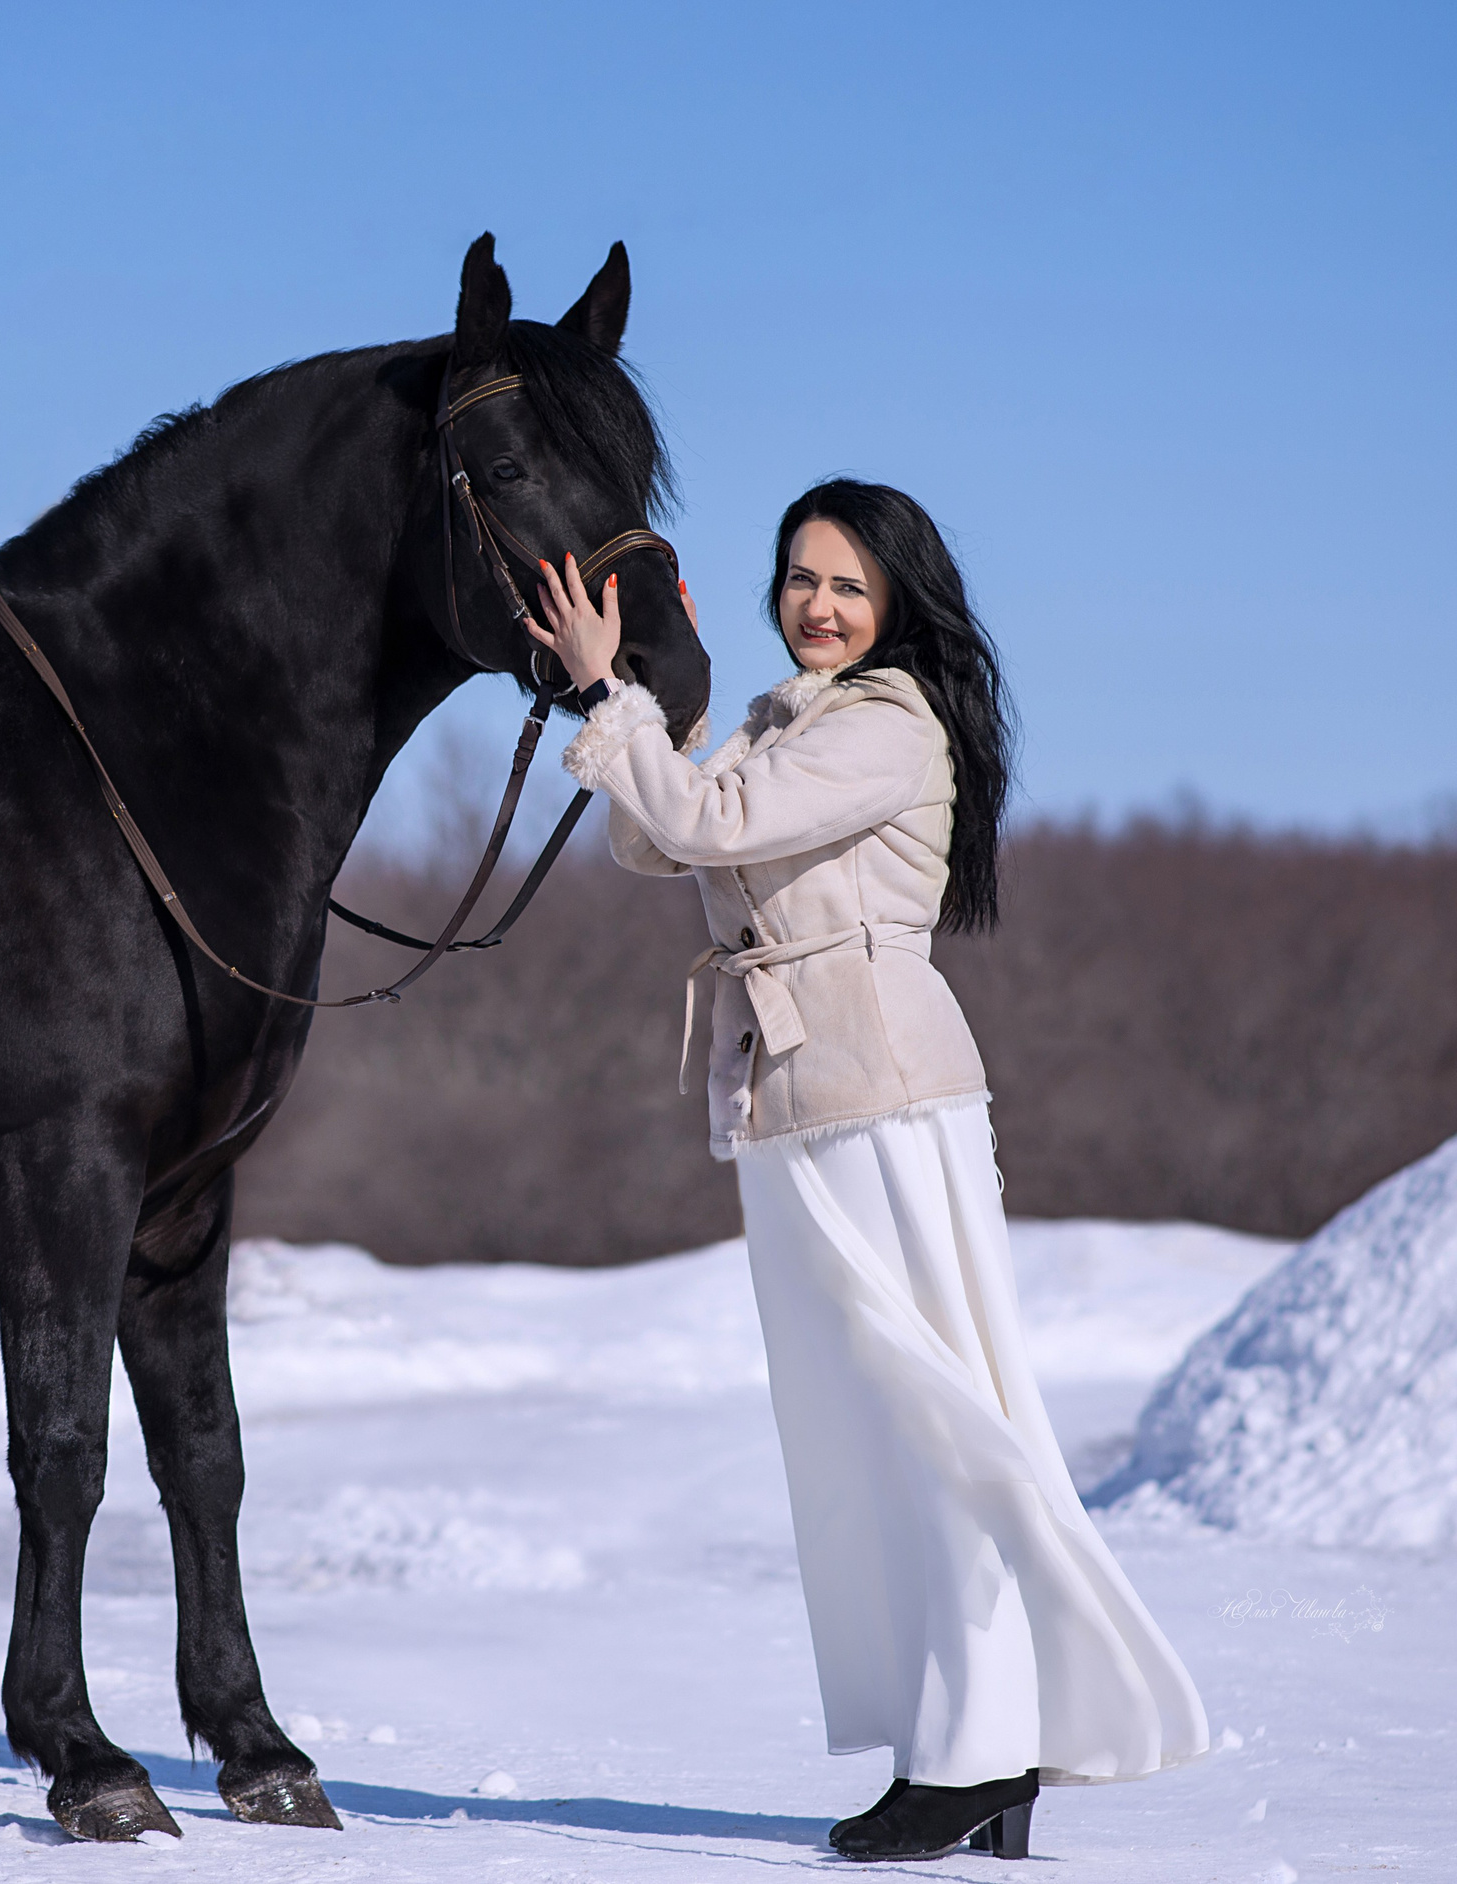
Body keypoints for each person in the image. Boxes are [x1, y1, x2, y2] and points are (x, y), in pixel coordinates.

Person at [525, 480, 1208, 1863]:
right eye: (799, 579)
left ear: (896, 600)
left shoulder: (889, 723)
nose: (818, 606)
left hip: (882, 1095)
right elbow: (657, 835)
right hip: (797, 1096)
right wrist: (645, 693)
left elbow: (706, 823)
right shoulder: (789, 722)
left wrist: (613, 697)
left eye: (847, 584)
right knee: (866, 1438)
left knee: (927, 1416)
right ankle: (968, 1740)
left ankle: (984, 1748)